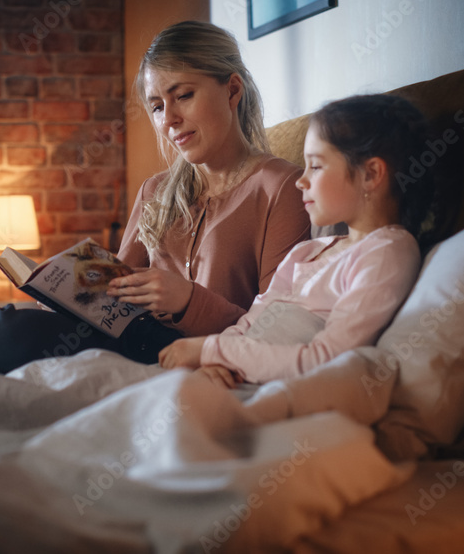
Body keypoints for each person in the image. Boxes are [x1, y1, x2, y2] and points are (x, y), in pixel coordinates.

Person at [0, 21, 310, 373]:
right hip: (129, 341)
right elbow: (113, 294)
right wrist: (70, 297)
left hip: (188, 354)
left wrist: (187, 300)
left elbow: (276, 330)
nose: (169, 119)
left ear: (232, 90)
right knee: (3, 323)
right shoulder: (155, 190)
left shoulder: (282, 188)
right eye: (156, 106)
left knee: (6, 333)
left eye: (183, 96)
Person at [158, 94, 436, 388]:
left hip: (274, 387)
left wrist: (209, 351)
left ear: (370, 174)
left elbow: (327, 361)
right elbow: (249, 323)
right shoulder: (307, 251)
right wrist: (212, 364)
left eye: (315, 167)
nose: (300, 181)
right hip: (233, 373)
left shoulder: (387, 252)